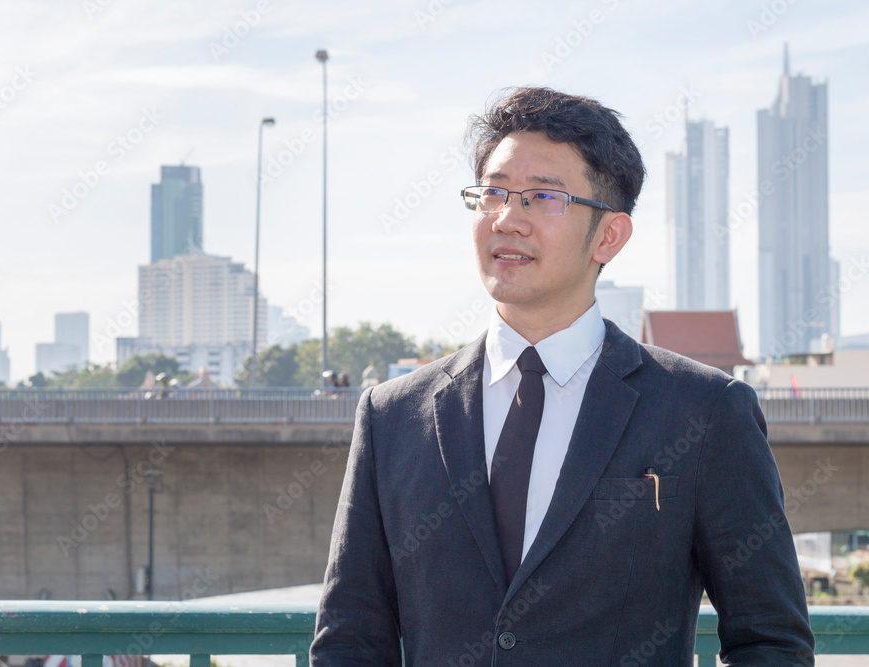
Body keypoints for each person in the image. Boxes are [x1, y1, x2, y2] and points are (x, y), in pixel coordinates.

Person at [310, 87, 813, 665]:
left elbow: (770, 641)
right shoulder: (392, 416)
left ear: (609, 236)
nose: (507, 218)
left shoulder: (704, 412)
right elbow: (351, 639)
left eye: (542, 197)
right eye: (493, 192)